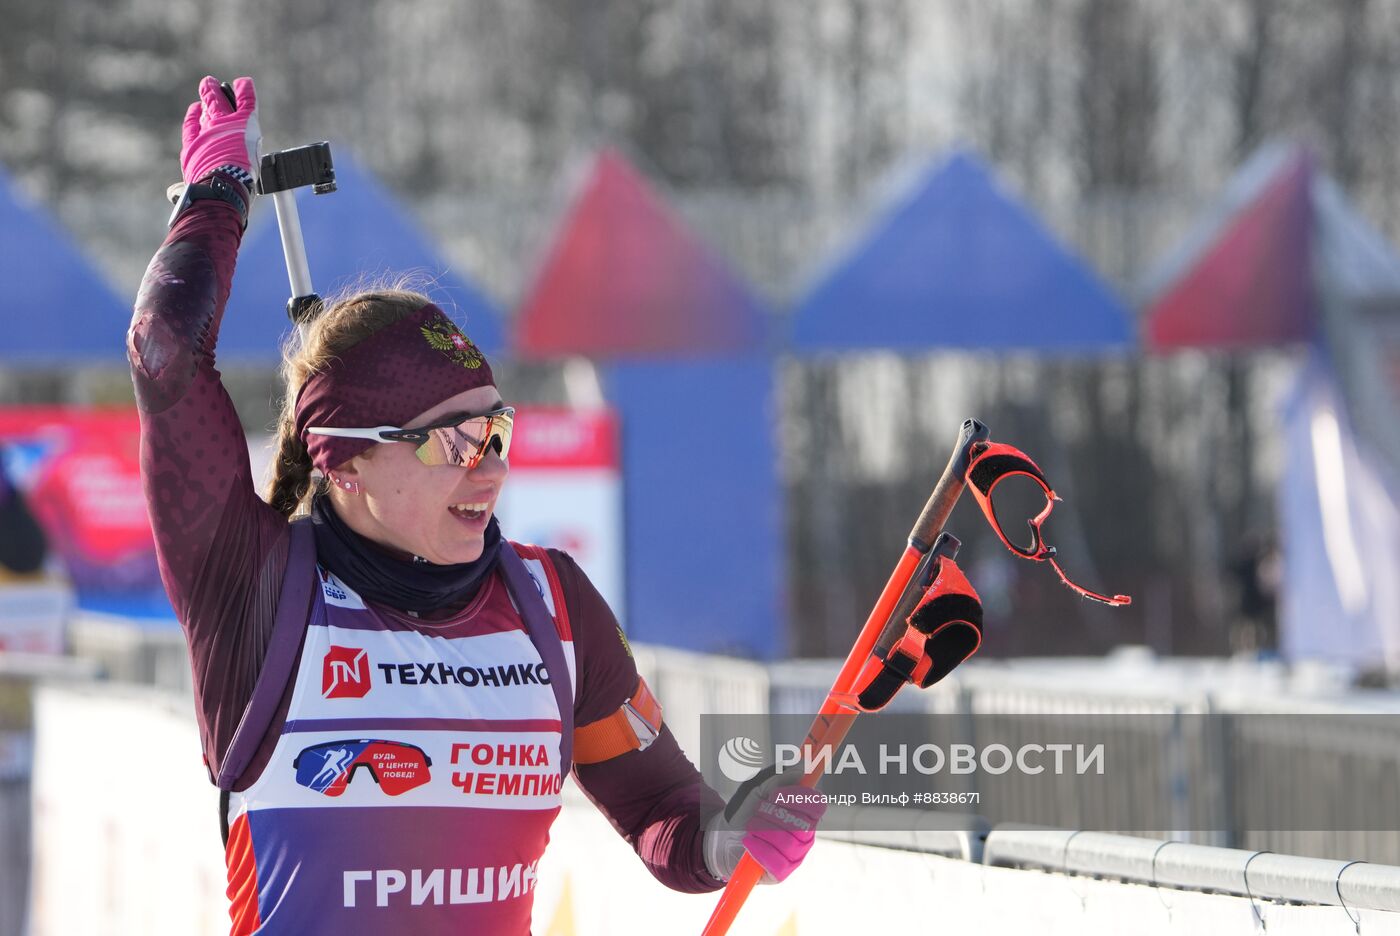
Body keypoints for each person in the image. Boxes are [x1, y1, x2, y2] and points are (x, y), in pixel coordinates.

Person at [129, 75, 822, 934]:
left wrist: (728, 838)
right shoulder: (257, 590)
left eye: (494, 433)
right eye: (449, 442)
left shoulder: (551, 607)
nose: (488, 472)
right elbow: (166, 351)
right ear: (345, 462)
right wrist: (213, 200)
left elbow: (660, 813)